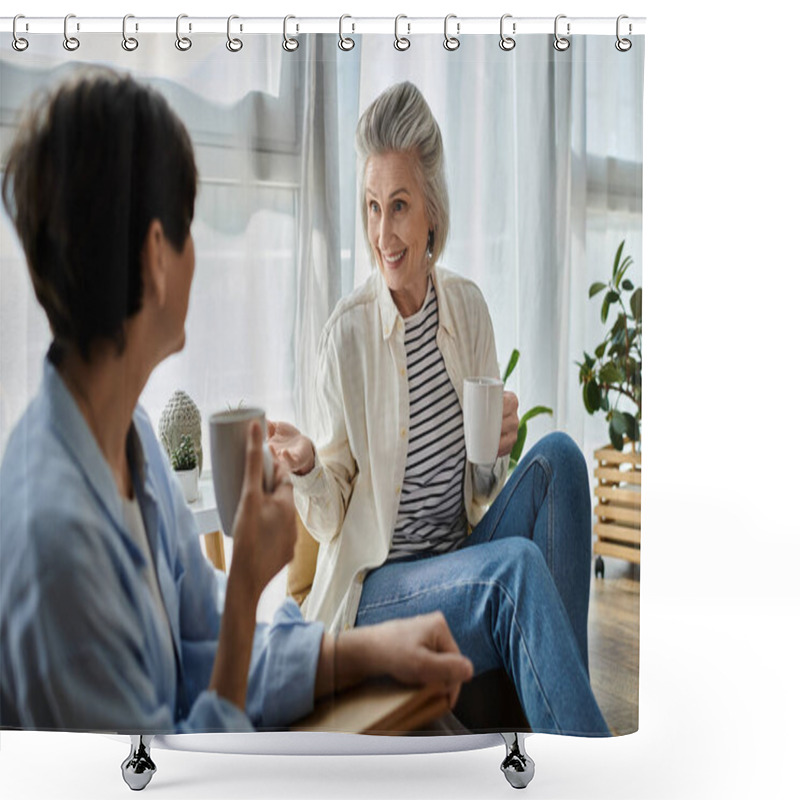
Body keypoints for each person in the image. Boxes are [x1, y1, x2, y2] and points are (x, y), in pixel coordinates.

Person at [0, 69, 473, 733]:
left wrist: (360, 651)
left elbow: (205, 649)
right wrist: (249, 579)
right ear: (155, 259)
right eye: (190, 228)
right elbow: (163, 770)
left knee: (437, 727)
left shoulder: (128, 439)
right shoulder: (55, 549)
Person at [268, 82, 609, 735]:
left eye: (399, 206)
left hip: (459, 555)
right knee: (515, 573)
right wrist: (310, 465)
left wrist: (496, 450)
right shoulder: (345, 337)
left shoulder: (469, 309)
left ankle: (565, 718)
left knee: (562, 457)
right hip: (380, 589)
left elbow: (480, 496)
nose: (382, 233)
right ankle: (585, 761)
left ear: (431, 211)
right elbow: (333, 516)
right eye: (372, 208)